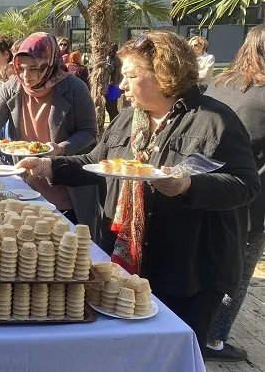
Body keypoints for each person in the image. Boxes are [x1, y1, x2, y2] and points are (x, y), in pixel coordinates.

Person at [15, 30, 261, 354]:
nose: (123, 85)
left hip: (187, 273)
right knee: (124, 350)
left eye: (131, 76)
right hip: (125, 259)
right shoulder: (129, 118)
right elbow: (96, 161)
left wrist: (189, 185)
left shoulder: (214, 121)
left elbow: (245, 185)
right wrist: (49, 166)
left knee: (168, 352)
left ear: (164, 72)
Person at [0, 32, 100, 233]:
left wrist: (60, 149)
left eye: (34, 68)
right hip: (27, 182)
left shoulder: (75, 88)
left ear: (49, 63)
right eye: (21, 68)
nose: (26, 76)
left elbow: (89, 132)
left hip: (67, 187)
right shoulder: (12, 87)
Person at [203, 24, 265, 363]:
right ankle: (214, 340)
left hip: (207, 188)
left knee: (213, 264)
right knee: (238, 273)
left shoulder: (219, 86)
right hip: (250, 199)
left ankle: (200, 326)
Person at [105, 43, 122, 121]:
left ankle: (115, 123)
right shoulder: (118, 59)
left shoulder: (111, 59)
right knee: (113, 107)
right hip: (115, 86)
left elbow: (109, 70)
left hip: (111, 86)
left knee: (111, 108)